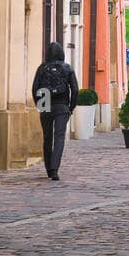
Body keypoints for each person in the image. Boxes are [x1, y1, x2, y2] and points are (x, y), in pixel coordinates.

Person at [31, 41, 79, 181]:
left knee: (47, 137)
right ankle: (55, 168)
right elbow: (75, 90)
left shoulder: (42, 68)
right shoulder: (67, 68)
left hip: (45, 101)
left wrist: (39, 105)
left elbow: (35, 88)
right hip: (62, 103)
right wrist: (71, 107)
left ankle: (48, 167)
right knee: (59, 137)